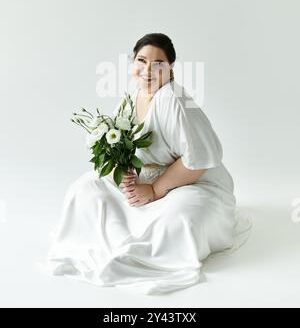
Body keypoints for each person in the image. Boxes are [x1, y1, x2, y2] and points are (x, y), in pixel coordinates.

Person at [38, 32, 252, 295]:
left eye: (158, 63)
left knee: (181, 219)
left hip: (193, 185)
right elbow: (121, 141)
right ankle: (121, 233)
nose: (148, 70)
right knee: (86, 189)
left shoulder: (174, 100)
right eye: (141, 60)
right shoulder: (133, 94)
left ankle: (147, 246)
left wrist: (153, 191)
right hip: (145, 181)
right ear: (132, 62)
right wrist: (125, 172)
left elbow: (199, 163)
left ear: (171, 68)